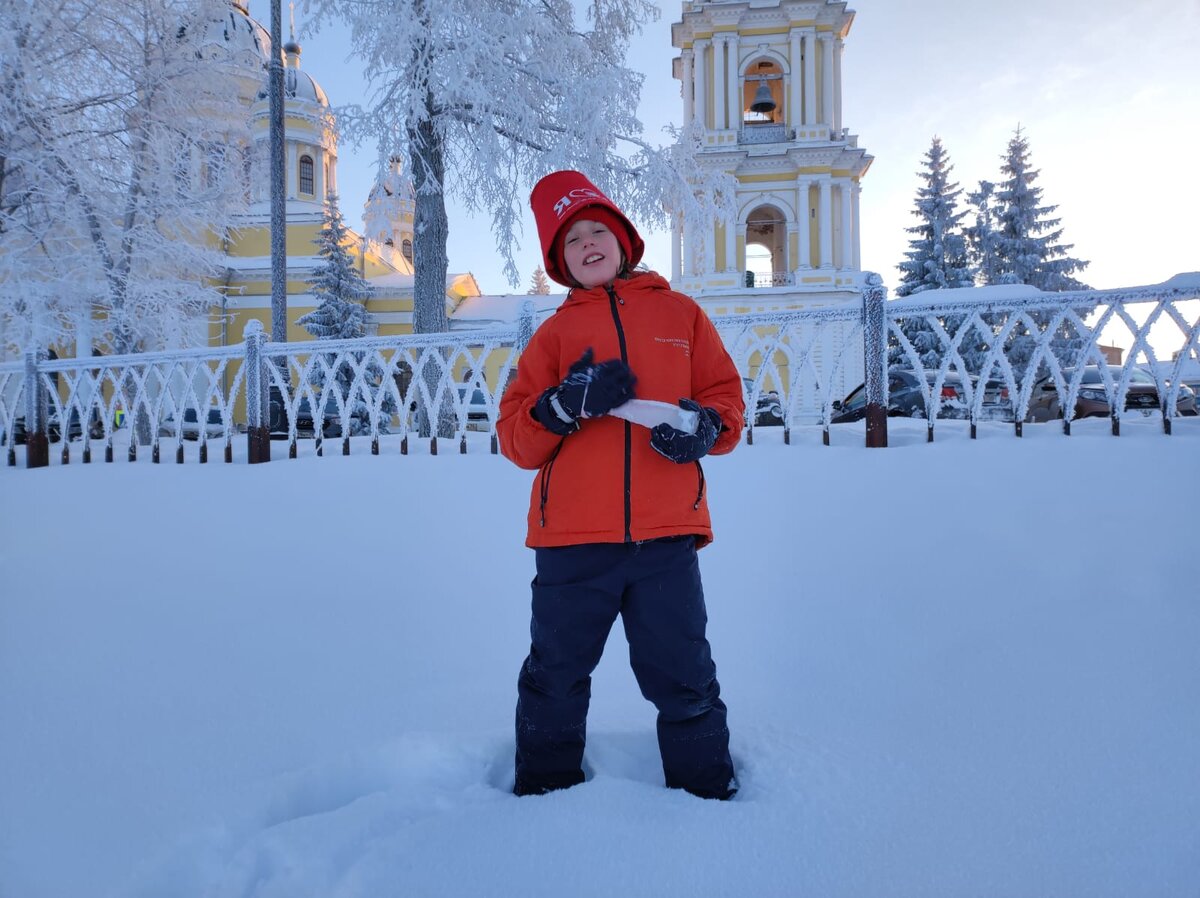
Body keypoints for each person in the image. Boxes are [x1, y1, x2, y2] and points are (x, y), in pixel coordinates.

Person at [497, 170, 745, 800]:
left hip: (666, 537)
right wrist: (560, 405)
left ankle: (706, 796)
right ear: (560, 260)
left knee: (685, 676)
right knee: (555, 676)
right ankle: (543, 797)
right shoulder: (554, 336)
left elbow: (725, 399)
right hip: (572, 543)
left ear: (624, 239)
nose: (587, 243)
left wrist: (705, 428)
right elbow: (516, 440)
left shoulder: (681, 315)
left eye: (597, 230)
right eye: (571, 239)